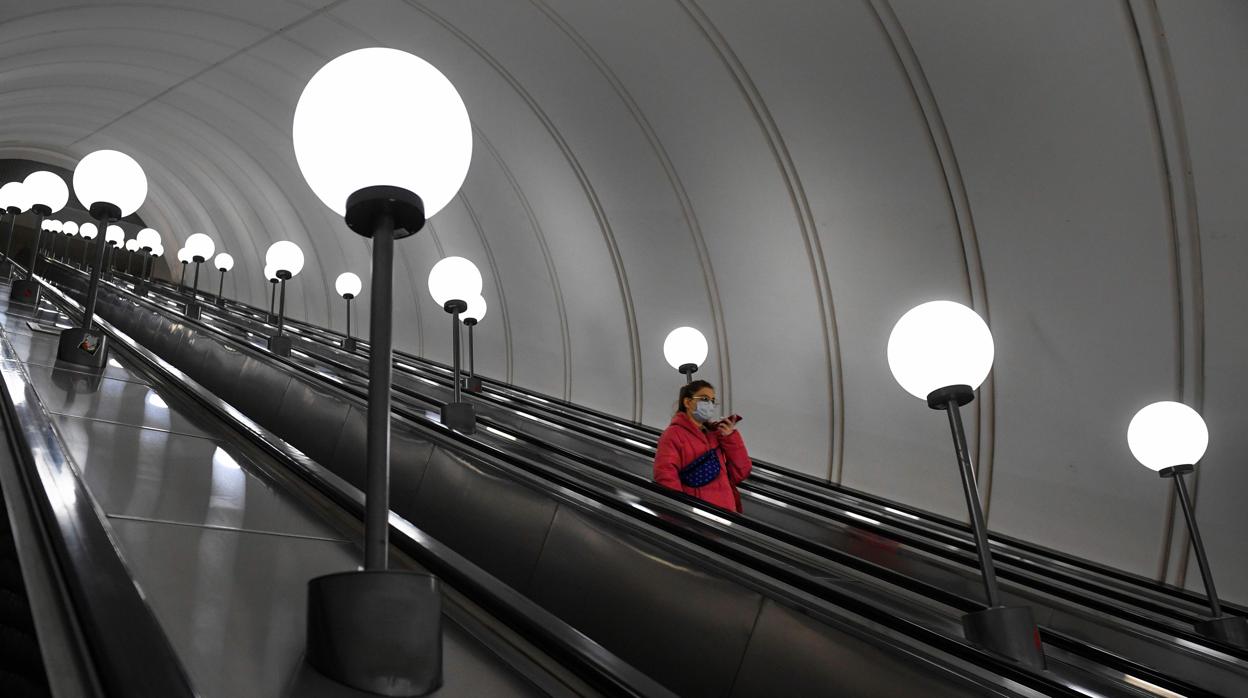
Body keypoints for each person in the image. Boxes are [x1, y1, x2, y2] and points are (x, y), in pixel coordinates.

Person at [653, 380, 751, 512]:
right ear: (687, 402)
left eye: (712, 400)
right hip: (697, 514)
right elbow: (666, 477)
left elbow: (741, 473)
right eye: (704, 399)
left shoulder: (715, 435)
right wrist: (680, 513)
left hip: (727, 511)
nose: (709, 404)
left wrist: (730, 437)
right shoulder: (673, 435)